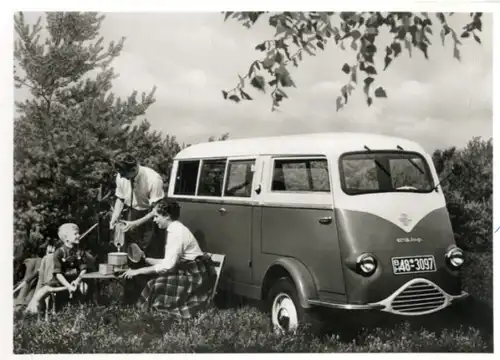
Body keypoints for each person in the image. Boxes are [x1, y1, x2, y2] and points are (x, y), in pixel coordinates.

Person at [120, 201, 217, 319]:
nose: (154, 220)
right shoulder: (175, 228)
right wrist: (146, 259)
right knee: (156, 283)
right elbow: (169, 261)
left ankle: (152, 312)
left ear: (166, 216)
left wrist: (138, 271)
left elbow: (168, 266)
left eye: (156, 216)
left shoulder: (177, 232)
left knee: (155, 284)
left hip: (195, 276)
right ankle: (149, 311)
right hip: (188, 269)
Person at [109, 152, 165, 257]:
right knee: (130, 248)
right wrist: (114, 217)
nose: (121, 177)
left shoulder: (153, 179)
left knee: (147, 249)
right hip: (132, 211)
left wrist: (136, 223)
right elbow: (120, 198)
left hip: (150, 215)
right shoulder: (121, 176)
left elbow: (156, 209)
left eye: (124, 175)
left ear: (134, 169)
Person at [25, 224, 88, 314]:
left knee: (85, 288)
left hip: (75, 279)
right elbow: (58, 273)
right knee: (40, 294)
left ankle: (80, 313)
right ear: (66, 238)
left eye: (78, 233)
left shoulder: (80, 252)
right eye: (75, 234)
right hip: (59, 281)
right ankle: (40, 313)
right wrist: (68, 286)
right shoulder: (59, 253)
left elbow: (83, 269)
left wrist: (77, 280)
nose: (78, 236)